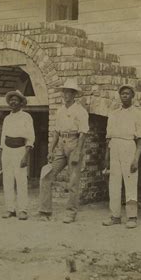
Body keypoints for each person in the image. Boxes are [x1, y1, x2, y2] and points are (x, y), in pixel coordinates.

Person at [38, 78, 89, 224]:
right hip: (61, 144)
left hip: (74, 143)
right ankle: (45, 211)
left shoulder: (80, 111)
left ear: (75, 95)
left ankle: (70, 213)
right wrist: (50, 150)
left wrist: (78, 152)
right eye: (65, 92)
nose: (66, 95)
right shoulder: (60, 111)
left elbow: (83, 133)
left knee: (73, 181)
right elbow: (56, 132)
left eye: (70, 92)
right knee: (47, 175)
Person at [103, 84, 141, 228]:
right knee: (114, 183)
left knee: (130, 182)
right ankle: (115, 216)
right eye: (122, 94)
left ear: (132, 96)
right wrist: (107, 159)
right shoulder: (114, 114)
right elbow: (108, 138)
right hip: (114, 147)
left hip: (129, 147)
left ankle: (132, 217)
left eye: (128, 93)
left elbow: (140, 140)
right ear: (120, 96)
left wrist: (136, 159)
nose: (125, 96)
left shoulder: (138, 114)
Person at [0, 90, 35, 221]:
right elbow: (3, 138)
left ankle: (22, 210)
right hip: (7, 151)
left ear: (21, 102)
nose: (13, 102)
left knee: (21, 180)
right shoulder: (7, 118)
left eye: (16, 100)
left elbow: (30, 138)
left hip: (20, 150)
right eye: (11, 100)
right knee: (7, 180)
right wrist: (1, 154)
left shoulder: (26, 117)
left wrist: (26, 155)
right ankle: (10, 209)